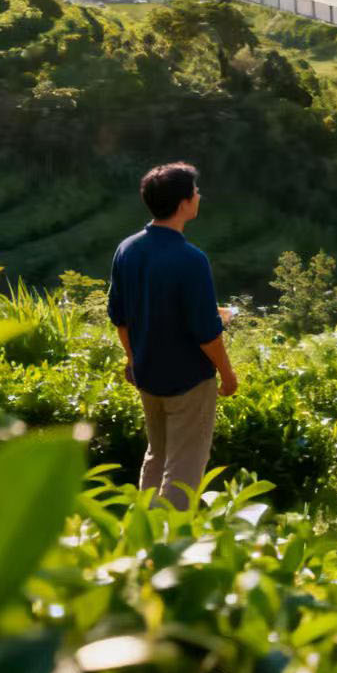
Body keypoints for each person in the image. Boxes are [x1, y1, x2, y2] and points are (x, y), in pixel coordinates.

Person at [108, 162, 238, 509]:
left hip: (148, 373)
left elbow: (120, 317)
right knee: (184, 467)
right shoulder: (190, 259)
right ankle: (168, 545)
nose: (198, 196)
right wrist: (227, 374)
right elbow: (206, 334)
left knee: (157, 455)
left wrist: (133, 360)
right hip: (188, 379)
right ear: (183, 203)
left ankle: (142, 536)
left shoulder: (127, 249)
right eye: (194, 191)